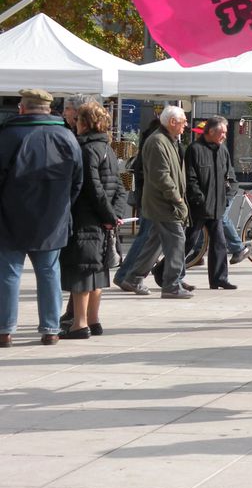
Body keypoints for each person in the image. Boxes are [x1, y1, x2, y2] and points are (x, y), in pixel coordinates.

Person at [0, 89, 83, 347]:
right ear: (48, 109)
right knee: (48, 272)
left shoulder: (7, 135)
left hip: (10, 215)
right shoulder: (67, 136)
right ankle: (50, 329)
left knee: (9, 273)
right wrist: (62, 206)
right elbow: (77, 181)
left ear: (22, 108)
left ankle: (5, 330)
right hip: (53, 217)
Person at [59, 102, 126, 339]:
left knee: (82, 273)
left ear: (85, 123)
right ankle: (94, 320)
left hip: (86, 219)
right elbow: (119, 187)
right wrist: (115, 216)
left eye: (78, 120)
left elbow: (92, 187)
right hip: (102, 220)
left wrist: (108, 215)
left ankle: (79, 324)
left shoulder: (86, 149)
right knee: (98, 270)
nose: (75, 124)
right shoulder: (107, 148)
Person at [119, 106, 192, 299]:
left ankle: (133, 278)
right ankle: (172, 285)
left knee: (155, 242)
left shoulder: (170, 140)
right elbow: (161, 176)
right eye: (183, 121)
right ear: (172, 122)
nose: (186, 124)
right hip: (163, 202)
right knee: (177, 240)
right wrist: (176, 198)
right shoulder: (158, 141)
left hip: (163, 201)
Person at [184, 116, 238, 291]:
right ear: (211, 131)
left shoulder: (223, 150)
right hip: (199, 208)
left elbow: (230, 175)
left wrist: (228, 196)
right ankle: (164, 272)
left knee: (219, 243)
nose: (224, 136)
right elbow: (190, 179)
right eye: (222, 133)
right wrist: (199, 199)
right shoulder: (195, 149)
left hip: (217, 207)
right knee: (188, 243)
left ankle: (219, 279)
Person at [114, 118, 161, 295]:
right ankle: (126, 275)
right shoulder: (154, 143)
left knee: (149, 238)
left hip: (148, 198)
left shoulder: (148, 141)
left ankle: (174, 277)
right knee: (146, 239)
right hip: (152, 200)